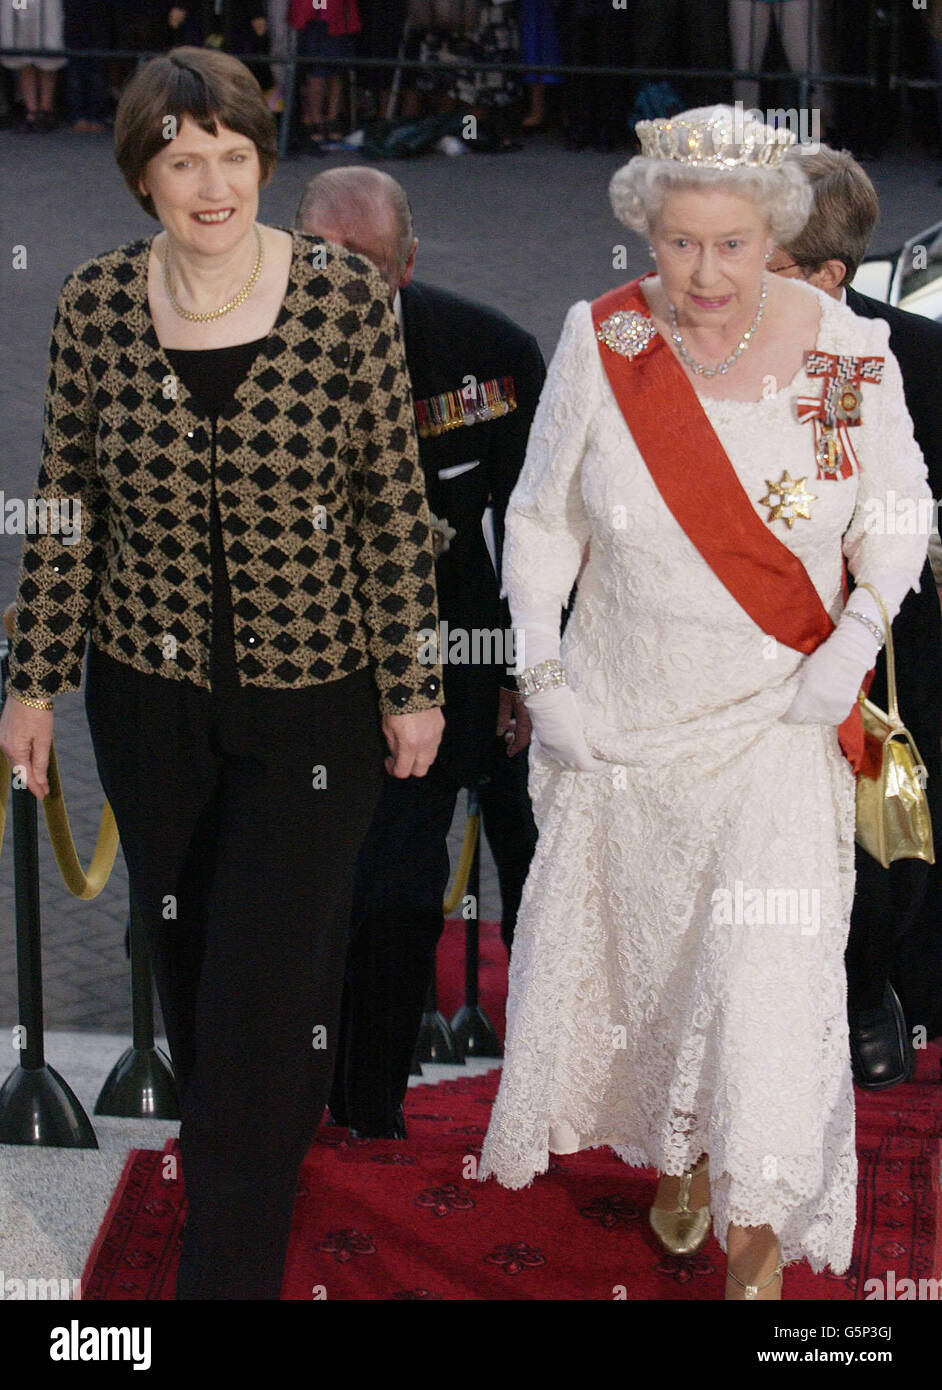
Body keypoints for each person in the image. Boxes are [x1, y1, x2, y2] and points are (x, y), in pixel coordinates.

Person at [0, 47, 444, 1300]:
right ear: (144, 174)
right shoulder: (92, 303)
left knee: (259, 983)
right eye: (183, 159)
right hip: (150, 702)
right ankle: (256, 1140)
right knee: (196, 974)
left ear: (264, 160)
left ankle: (224, 1269)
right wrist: (34, 683)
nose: (212, 184)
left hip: (318, 702)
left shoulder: (344, 299)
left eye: (235, 156)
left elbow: (393, 508)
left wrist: (415, 681)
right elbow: (65, 504)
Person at [477, 105, 930, 1299]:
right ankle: (678, 1148)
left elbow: (894, 509)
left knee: (768, 971)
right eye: (681, 244)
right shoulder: (603, 339)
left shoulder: (843, 355)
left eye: (732, 245)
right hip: (627, 719)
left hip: (780, 717)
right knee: (662, 964)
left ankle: (760, 1231)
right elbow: (540, 521)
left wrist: (858, 635)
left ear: (774, 233)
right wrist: (541, 666)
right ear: (649, 233)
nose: (706, 273)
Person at [296, 166, 544, 1138]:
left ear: (408, 262)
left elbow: (542, 528)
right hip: (332, 670)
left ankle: (553, 1094)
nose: (342, 284)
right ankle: (364, 1106)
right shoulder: (248, 359)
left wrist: (528, 668)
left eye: (363, 265)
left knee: (548, 879)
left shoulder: (492, 355)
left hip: (479, 658)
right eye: (320, 260)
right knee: (387, 889)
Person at [772, 144, 942, 1085]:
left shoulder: (917, 360)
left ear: (830, 276)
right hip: (742, 638)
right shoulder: (699, 350)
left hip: (887, 655)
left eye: (766, 257)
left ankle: (866, 988)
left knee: (878, 845)